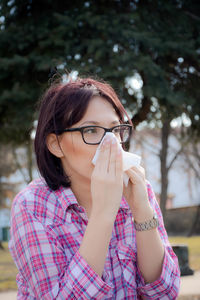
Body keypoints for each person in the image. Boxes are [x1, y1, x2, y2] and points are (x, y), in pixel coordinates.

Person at [9, 77, 180, 299]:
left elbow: (165, 292)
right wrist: (103, 213)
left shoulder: (137, 189)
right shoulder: (32, 206)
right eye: (91, 130)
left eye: (115, 129)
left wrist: (142, 211)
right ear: (55, 144)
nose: (110, 143)